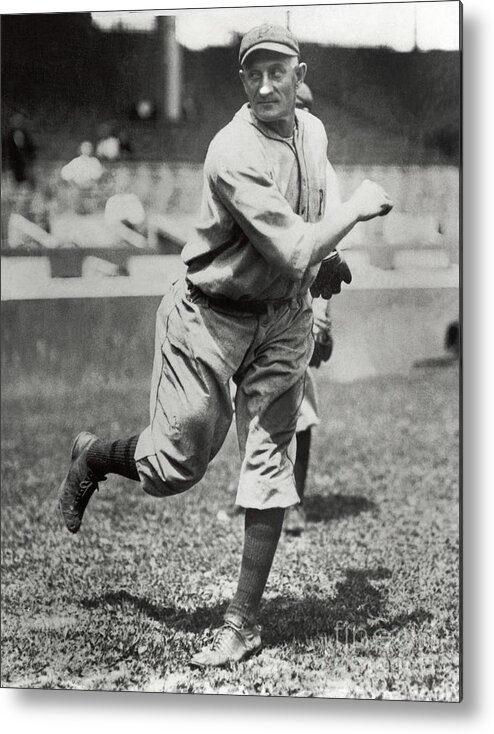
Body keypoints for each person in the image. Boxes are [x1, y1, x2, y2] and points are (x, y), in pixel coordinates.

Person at [58, 24, 392, 668]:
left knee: (271, 462)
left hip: (282, 318)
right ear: (242, 81)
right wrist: (355, 211)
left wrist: (329, 267)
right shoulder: (230, 151)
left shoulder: (313, 131)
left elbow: (308, 217)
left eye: (278, 72)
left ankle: (243, 620)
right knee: (175, 467)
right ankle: (94, 455)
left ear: (300, 74)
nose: (266, 85)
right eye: (253, 74)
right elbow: (296, 244)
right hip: (210, 317)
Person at [283, 81, 346, 535]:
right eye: (292, 105)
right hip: (261, 302)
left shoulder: (324, 173)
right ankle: (256, 497)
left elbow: (331, 252)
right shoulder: (262, 159)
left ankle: (296, 502)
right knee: (250, 402)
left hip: (302, 301)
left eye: (305, 106)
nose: (297, 114)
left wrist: (322, 315)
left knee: (299, 405)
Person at [2, 112, 37, 189]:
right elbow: (6, 152)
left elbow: (31, 149)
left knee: (29, 184)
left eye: (20, 120)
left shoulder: (27, 135)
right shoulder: (7, 137)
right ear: (11, 122)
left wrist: (30, 161)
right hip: (14, 164)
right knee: (16, 183)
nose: (18, 122)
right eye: (16, 120)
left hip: (26, 163)